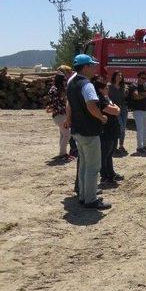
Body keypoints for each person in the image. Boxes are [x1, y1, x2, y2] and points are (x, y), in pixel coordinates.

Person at [65, 54, 110, 209]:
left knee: (84, 165)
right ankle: (91, 199)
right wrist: (102, 117)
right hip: (89, 131)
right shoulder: (87, 85)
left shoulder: (71, 82)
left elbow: (69, 105)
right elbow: (91, 105)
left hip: (77, 130)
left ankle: (84, 196)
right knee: (93, 167)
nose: (95, 67)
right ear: (85, 67)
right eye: (92, 65)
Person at [93, 78, 123, 185]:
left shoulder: (106, 98)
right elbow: (115, 110)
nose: (108, 89)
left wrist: (116, 109)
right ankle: (105, 175)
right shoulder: (100, 99)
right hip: (106, 130)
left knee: (110, 153)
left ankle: (111, 173)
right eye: (106, 88)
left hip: (112, 128)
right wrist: (116, 108)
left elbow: (116, 110)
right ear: (100, 89)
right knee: (105, 153)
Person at [46, 73, 73, 161]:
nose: (65, 82)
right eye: (64, 80)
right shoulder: (55, 90)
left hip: (60, 115)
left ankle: (63, 152)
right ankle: (62, 154)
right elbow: (56, 104)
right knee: (67, 134)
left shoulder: (56, 89)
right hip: (60, 115)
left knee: (63, 134)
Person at [129, 71, 146, 154]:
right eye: (143, 78)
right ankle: (139, 147)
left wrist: (142, 94)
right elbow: (136, 96)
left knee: (145, 129)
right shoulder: (133, 85)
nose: (144, 80)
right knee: (140, 129)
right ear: (138, 77)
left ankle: (145, 146)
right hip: (138, 110)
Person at [108, 71, 128, 155]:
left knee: (123, 128)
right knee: (121, 126)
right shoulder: (109, 86)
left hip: (123, 108)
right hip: (115, 108)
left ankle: (121, 146)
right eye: (118, 75)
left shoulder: (124, 86)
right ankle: (114, 146)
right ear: (114, 76)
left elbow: (125, 97)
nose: (120, 77)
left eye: (121, 75)